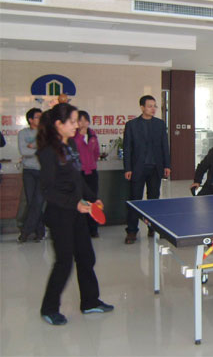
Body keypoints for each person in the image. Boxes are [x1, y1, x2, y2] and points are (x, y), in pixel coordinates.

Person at [37, 103, 113, 326]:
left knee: (86, 256)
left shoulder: (70, 144)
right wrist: (75, 204)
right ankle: (49, 308)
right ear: (58, 124)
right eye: (72, 121)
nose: (77, 125)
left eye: (77, 121)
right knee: (64, 262)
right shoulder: (48, 152)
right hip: (60, 214)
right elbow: (47, 190)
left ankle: (90, 302)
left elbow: (77, 178)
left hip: (77, 211)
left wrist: (91, 198)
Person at [123, 95, 171, 244]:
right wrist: (128, 168)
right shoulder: (131, 125)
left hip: (155, 168)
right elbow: (127, 148)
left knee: (154, 200)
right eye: (150, 106)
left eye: (154, 106)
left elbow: (164, 146)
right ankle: (132, 231)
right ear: (142, 107)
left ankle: (153, 228)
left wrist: (167, 165)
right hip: (137, 168)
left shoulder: (160, 124)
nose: (153, 109)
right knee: (135, 200)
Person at [17, 108, 45, 243]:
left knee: (38, 201)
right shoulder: (23, 133)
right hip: (28, 171)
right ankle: (40, 232)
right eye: (38, 117)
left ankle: (25, 232)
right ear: (30, 120)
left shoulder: (45, 132)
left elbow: (46, 149)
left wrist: (33, 146)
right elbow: (23, 151)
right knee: (31, 202)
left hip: (43, 171)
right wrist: (38, 148)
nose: (41, 119)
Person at [74, 111, 101, 237]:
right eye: (80, 120)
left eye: (85, 120)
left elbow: (96, 153)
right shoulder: (73, 136)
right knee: (80, 200)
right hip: (79, 172)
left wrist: (91, 163)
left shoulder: (92, 135)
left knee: (93, 200)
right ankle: (81, 228)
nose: (83, 123)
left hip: (92, 172)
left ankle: (93, 229)